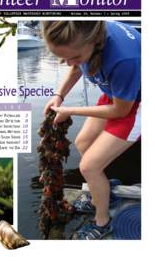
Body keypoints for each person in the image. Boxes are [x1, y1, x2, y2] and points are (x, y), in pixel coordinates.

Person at [42, 21, 141, 240]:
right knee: (83, 143)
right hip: (116, 92)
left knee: (89, 167)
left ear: (95, 43)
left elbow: (120, 110)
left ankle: (102, 221)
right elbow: (77, 67)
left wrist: (70, 110)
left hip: (136, 104)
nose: (69, 63)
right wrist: (60, 95)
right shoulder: (83, 35)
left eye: (74, 57)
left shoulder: (125, 59)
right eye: (63, 58)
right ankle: (104, 193)